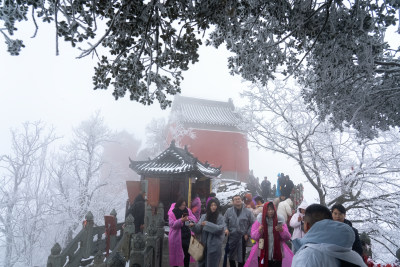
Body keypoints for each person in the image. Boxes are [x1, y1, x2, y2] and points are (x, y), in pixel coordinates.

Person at [291, 204, 366, 267]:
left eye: (340, 214)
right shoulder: (354, 257)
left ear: (306, 225)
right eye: (335, 213)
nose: (338, 216)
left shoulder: (307, 256)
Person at [244, 202, 293, 267]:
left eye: (272, 209)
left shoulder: (280, 221)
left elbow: (288, 237)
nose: (271, 211)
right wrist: (259, 231)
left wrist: (282, 230)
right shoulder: (259, 221)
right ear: (265, 210)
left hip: (277, 253)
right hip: (262, 252)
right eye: (268, 210)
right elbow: (253, 236)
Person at [191, 198, 226, 267]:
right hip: (203, 246)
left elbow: (220, 229)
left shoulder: (221, 218)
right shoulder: (204, 216)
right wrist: (193, 225)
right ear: (209, 206)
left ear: (217, 206)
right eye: (211, 205)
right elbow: (198, 229)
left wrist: (207, 224)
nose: (213, 207)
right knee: (201, 264)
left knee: (212, 264)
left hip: (214, 247)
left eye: (215, 205)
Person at [224, 195, 255, 267]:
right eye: (235, 199)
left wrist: (248, 233)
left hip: (242, 237)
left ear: (241, 200)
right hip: (231, 236)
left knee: (241, 257)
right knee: (231, 256)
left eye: (239, 199)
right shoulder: (229, 211)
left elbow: (253, 223)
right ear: (233, 202)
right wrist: (226, 229)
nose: (237, 200)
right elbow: (224, 221)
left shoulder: (248, 211)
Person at [168, 198, 197, 267]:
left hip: (187, 235)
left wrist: (189, 219)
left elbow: (194, 219)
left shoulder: (187, 210)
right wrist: (181, 220)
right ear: (178, 205)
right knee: (176, 254)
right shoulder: (173, 212)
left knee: (187, 254)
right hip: (177, 236)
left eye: (184, 205)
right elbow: (172, 225)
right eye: (182, 205)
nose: (183, 206)